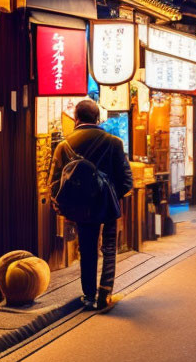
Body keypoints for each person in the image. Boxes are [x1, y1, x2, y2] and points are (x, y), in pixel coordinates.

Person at [49, 99, 133, 312]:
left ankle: (88, 296)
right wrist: (111, 195)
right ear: (98, 118)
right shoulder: (114, 142)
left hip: (80, 208)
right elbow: (126, 181)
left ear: (76, 118)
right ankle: (105, 292)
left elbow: (53, 182)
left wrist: (66, 206)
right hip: (107, 206)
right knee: (109, 247)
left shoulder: (64, 145)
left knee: (87, 250)